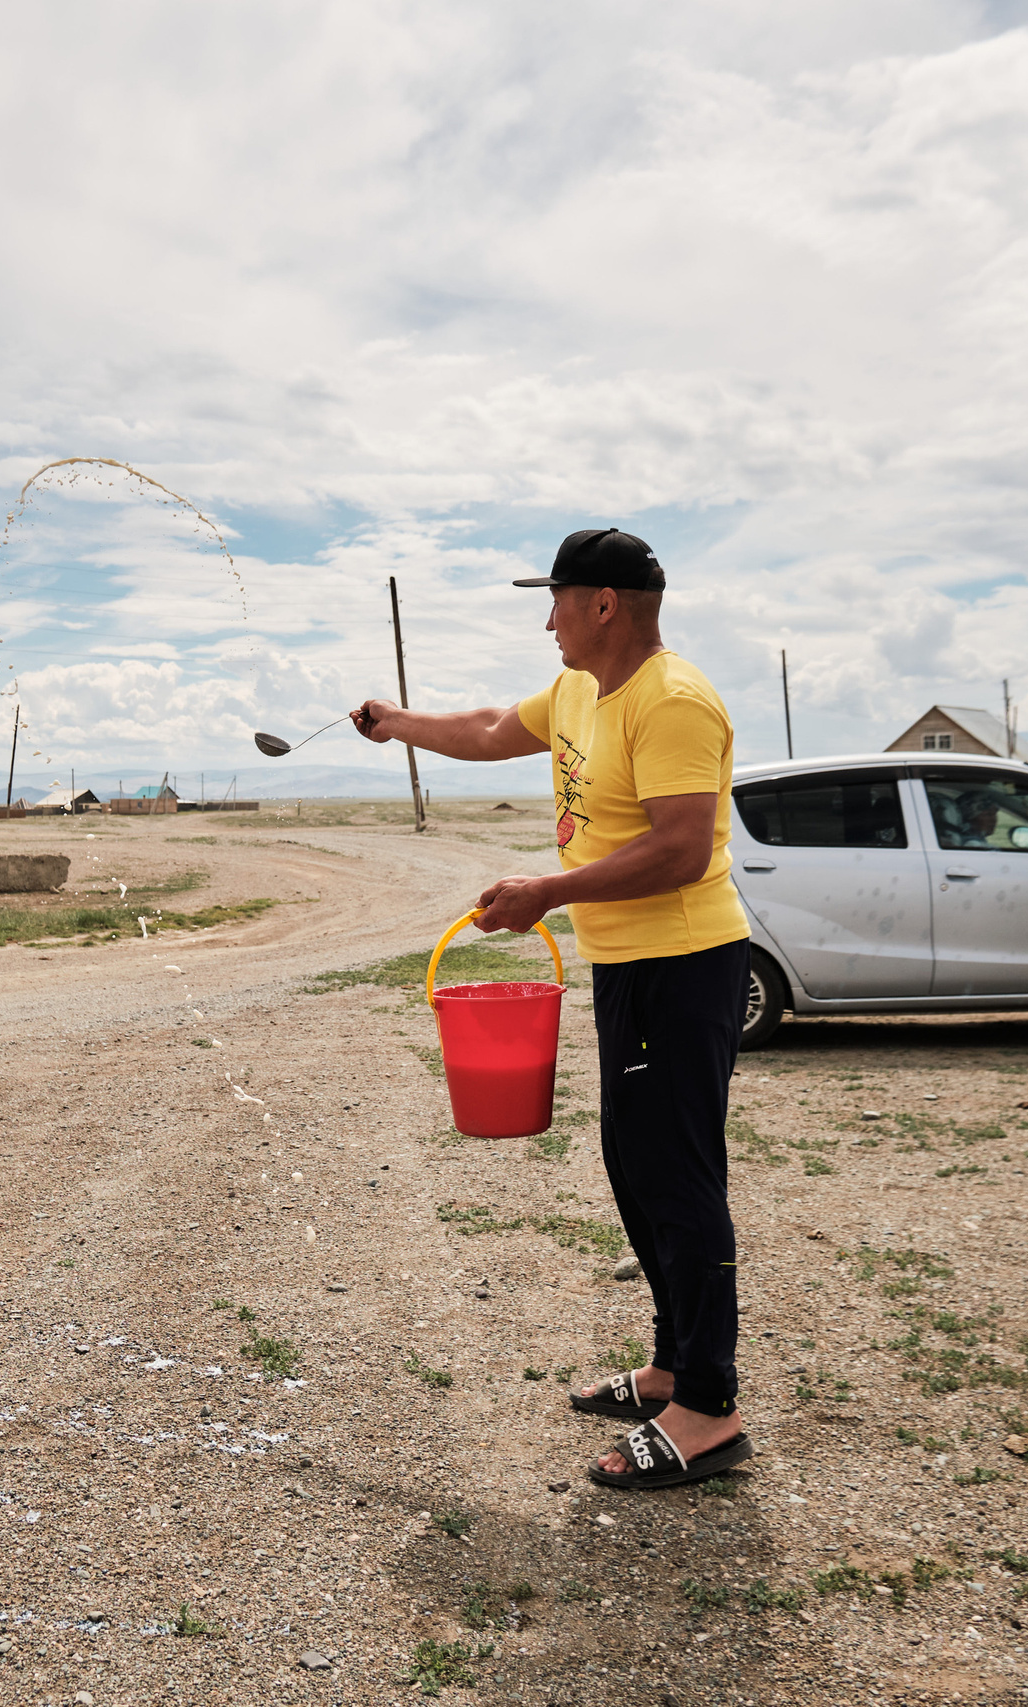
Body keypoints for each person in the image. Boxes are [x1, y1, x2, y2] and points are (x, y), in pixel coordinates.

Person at [352, 527, 756, 1491]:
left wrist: (549, 890)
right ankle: (671, 1361)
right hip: (627, 966)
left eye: (559, 600)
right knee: (633, 1162)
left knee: (680, 1176)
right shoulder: (581, 691)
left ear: (604, 604)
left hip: (687, 959)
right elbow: (493, 729)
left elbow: (683, 849)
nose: (549, 618)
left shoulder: (673, 702)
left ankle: (709, 1406)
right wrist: (399, 721)